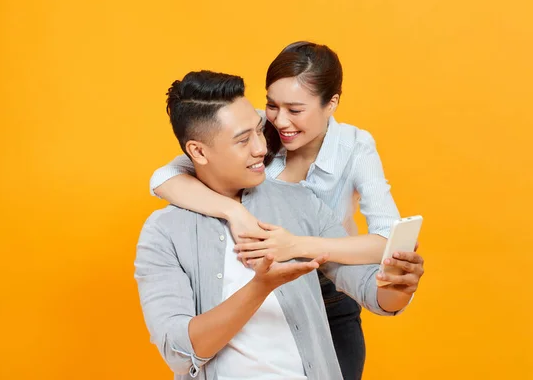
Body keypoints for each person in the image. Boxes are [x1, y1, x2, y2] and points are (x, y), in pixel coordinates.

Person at [149, 42, 417, 379]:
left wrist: (298, 246)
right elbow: (166, 176)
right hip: (264, 286)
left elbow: (383, 254)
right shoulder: (254, 127)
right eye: (271, 107)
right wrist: (237, 213)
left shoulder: (351, 151)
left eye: (295, 109)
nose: (277, 124)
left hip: (333, 287)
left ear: (331, 104)